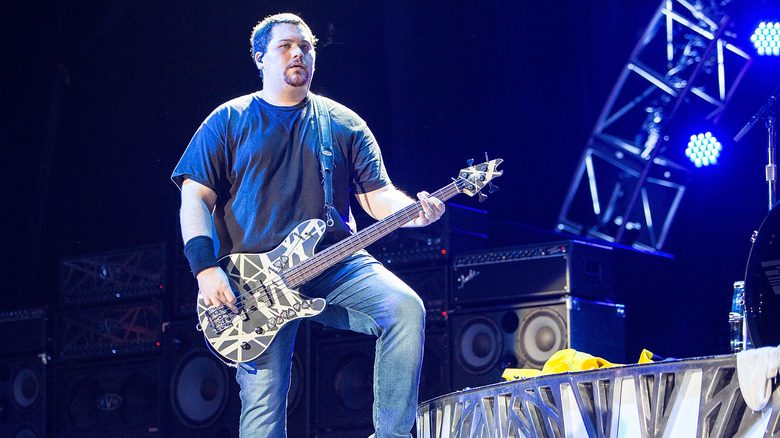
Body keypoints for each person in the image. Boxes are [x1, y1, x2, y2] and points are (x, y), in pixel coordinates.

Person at [171, 12, 445, 438]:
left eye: (306, 46)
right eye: (286, 46)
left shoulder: (343, 122)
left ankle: (392, 434)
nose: (298, 52)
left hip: (334, 262)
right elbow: (194, 198)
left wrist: (415, 209)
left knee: (405, 308)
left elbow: (376, 197)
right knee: (264, 407)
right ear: (260, 58)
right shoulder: (227, 120)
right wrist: (205, 269)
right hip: (253, 282)